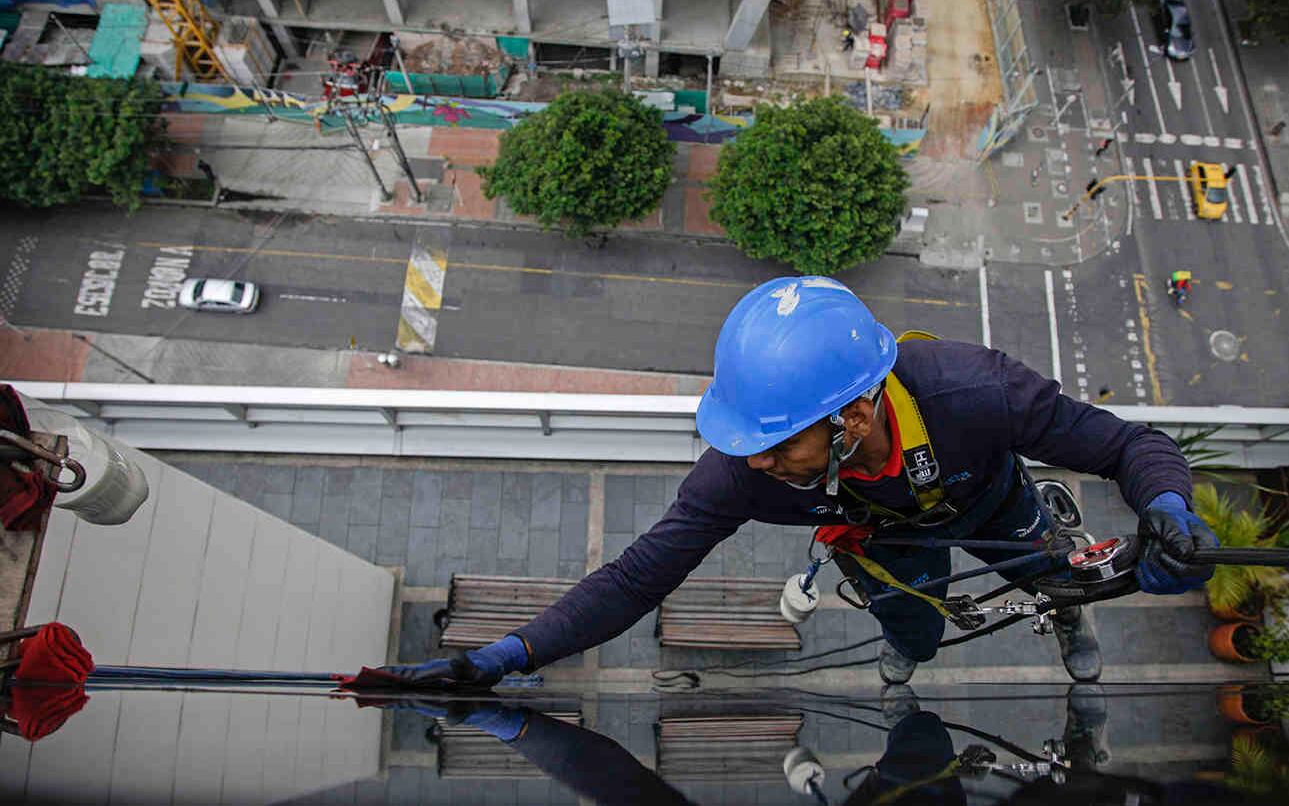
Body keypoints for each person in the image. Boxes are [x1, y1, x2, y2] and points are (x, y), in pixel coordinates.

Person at [384, 277, 1217, 688]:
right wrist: (500, 659)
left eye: (776, 444)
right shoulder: (742, 473)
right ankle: (908, 645)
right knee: (912, 631)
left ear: (852, 417)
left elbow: (1127, 446)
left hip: (988, 499)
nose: (754, 464)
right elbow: (639, 577)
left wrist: (1168, 511)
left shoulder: (974, 391)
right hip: (884, 546)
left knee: (1049, 579)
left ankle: (1067, 623)